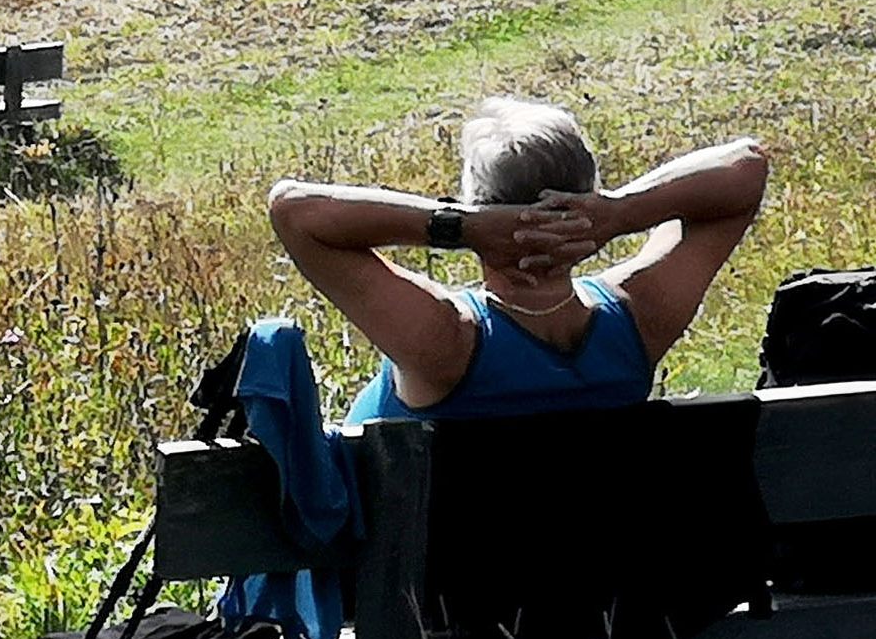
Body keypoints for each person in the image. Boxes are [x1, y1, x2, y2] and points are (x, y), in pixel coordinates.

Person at [267, 99, 769, 422]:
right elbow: (745, 168)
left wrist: (457, 229)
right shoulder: (640, 319)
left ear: (474, 204)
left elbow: (296, 211)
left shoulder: (443, 343)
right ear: (588, 191)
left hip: (435, 590)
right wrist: (619, 213)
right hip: (605, 588)